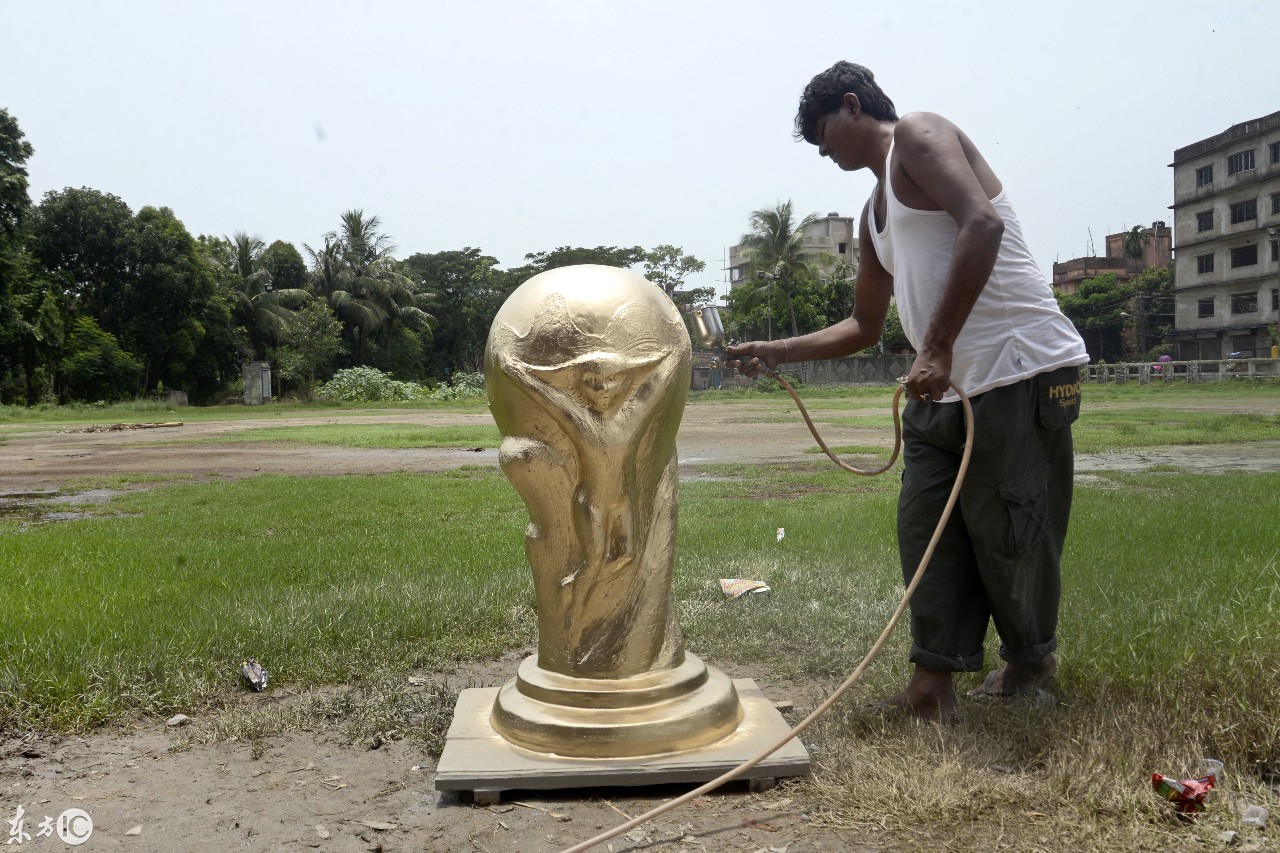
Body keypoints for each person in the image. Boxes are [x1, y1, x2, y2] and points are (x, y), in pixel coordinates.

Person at [727, 62, 1088, 722]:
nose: (821, 148)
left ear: (853, 104)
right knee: (925, 530)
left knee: (1010, 528)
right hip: (940, 389)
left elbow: (982, 224)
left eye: (822, 131)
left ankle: (1030, 663)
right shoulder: (873, 216)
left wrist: (938, 345)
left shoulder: (919, 136)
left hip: (1019, 370)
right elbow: (865, 325)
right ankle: (933, 681)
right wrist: (774, 350)